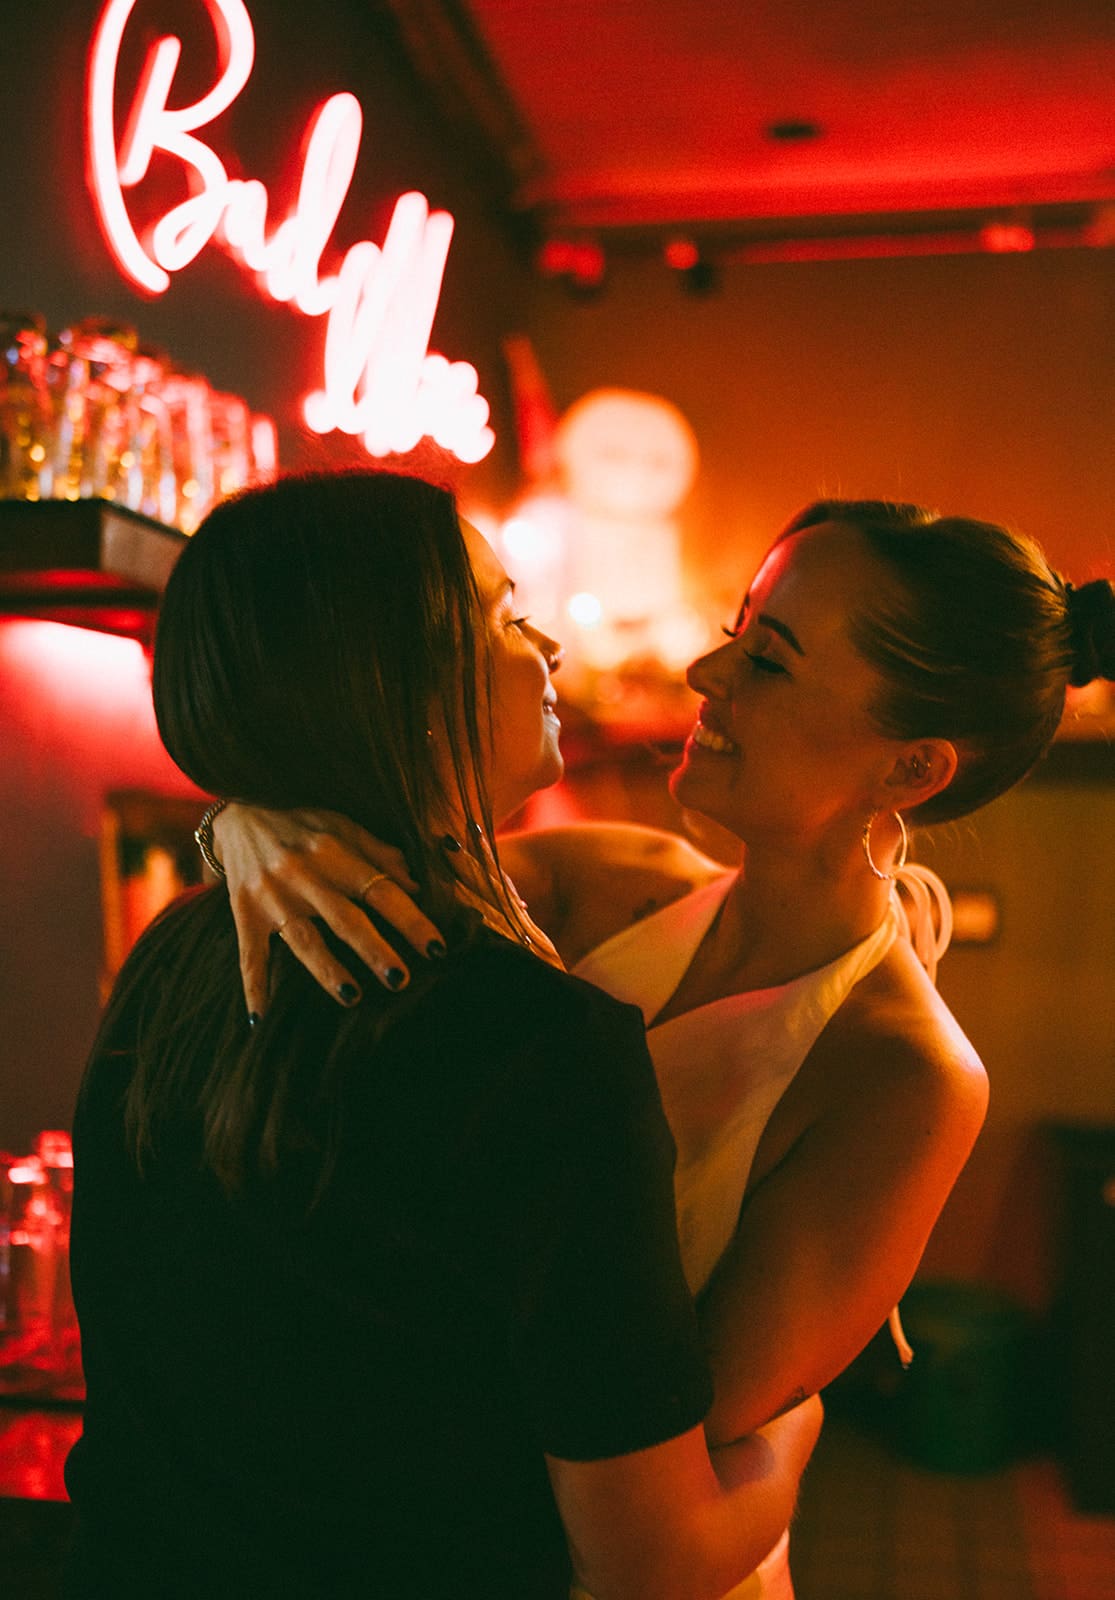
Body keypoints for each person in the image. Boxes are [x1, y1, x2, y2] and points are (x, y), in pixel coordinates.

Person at [209, 497, 1115, 1597]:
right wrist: (249, 820)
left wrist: (783, 1444)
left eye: (768, 662)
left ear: (910, 769)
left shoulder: (902, 1078)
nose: (703, 672)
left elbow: (672, 1458)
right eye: (737, 627)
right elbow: (384, 834)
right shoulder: (600, 886)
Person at [64, 470, 822, 1600]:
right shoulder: (538, 1048)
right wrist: (797, 1427)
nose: (550, 644)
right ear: (410, 683)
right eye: (507, 615)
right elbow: (651, 1565)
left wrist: (235, 820)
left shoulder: (173, 963)